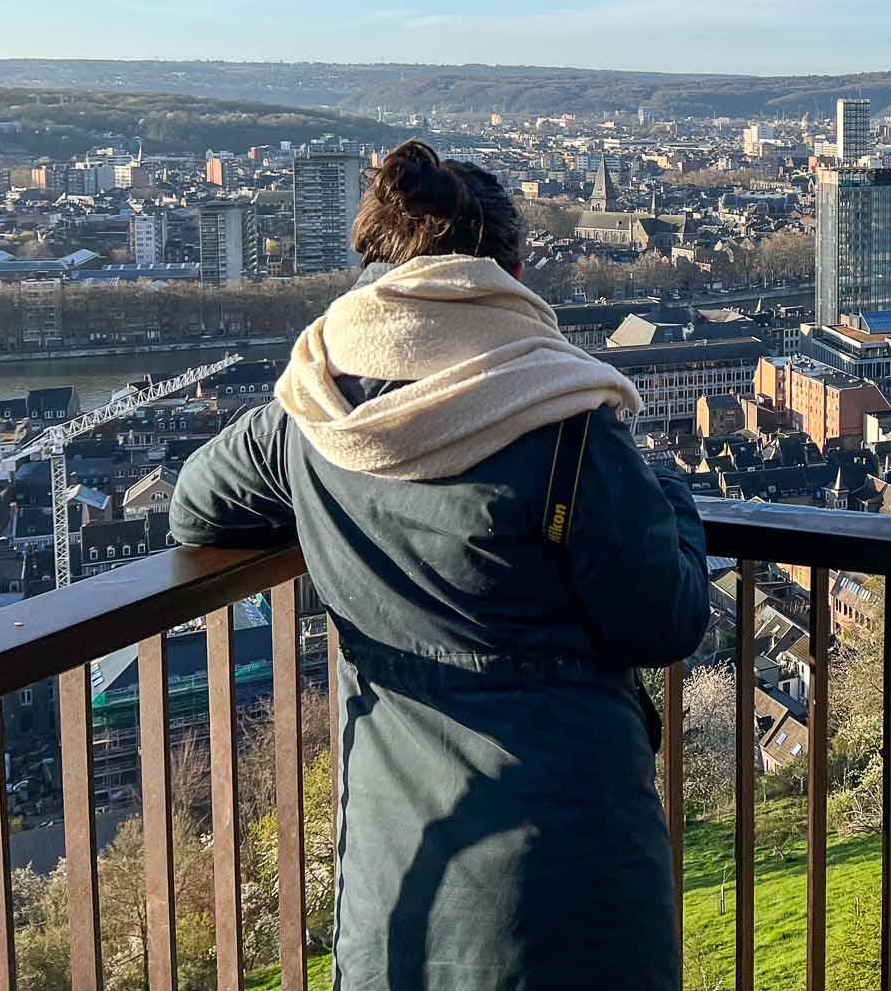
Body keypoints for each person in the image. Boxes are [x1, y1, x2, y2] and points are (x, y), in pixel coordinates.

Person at [172, 140, 708, 991]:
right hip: (574, 850)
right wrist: (670, 493)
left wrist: (328, 509)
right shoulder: (564, 420)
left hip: (398, 842)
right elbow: (665, 619)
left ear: (373, 278)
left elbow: (196, 508)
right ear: (513, 274)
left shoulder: (310, 409)